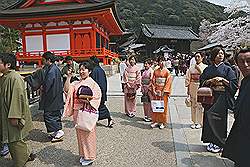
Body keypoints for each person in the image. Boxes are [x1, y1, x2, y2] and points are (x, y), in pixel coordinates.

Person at [200, 47, 238, 153]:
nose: (220, 55)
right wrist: (210, 80)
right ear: (213, 56)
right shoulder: (208, 69)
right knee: (208, 117)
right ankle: (211, 141)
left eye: (222, 53)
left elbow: (234, 84)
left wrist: (223, 80)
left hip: (222, 97)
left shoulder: (228, 69)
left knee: (220, 119)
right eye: (217, 54)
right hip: (210, 96)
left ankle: (220, 142)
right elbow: (202, 80)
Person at [0, 53, 35, 167]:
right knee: (13, 139)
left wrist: (15, 116)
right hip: (7, 113)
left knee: (15, 140)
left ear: (8, 64)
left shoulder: (14, 77)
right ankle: (27, 155)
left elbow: (17, 98)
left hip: (12, 115)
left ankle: (21, 162)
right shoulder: (6, 76)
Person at [64, 62, 101, 166]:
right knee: (80, 134)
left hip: (87, 111)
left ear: (89, 71)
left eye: (84, 69)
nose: (81, 71)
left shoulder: (93, 83)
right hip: (77, 111)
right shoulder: (76, 83)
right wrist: (68, 77)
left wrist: (88, 101)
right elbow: (67, 90)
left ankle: (90, 156)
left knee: (88, 134)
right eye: (80, 69)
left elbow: (97, 97)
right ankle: (83, 154)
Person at [26, 51, 64, 142]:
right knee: (55, 115)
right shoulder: (54, 68)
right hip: (56, 96)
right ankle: (56, 132)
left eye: (43, 60)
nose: (42, 61)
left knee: (49, 115)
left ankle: (59, 132)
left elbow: (47, 84)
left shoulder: (51, 70)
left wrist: (42, 88)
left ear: (49, 60)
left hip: (52, 97)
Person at [222, 48, 250, 167]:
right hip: (242, 129)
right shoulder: (244, 82)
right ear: (236, 64)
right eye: (241, 62)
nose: (246, 65)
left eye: (249, 61)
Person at [89, 56, 114, 128]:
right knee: (99, 106)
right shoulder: (100, 70)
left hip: (97, 93)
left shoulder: (94, 70)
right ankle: (107, 119)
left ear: (93, 62)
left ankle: (109, 118)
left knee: (99, 107)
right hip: (101, 91)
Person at [185, 52, 208, 129]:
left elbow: (206, 77)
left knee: (200, 105)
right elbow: (188, 79)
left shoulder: (205, 67)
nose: (197, 58)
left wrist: (199, 70)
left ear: (202, 58)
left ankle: (199, 122)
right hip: (192, 86)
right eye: (195, 56)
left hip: (201, 86)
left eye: (198, 56)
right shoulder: (191, 68)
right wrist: (188, 90)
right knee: (193, 105)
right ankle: (194, 121)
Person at [151, 56, 172, 129]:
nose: (161, 62)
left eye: (163, 61)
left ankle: (162, 121)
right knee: (156, 106)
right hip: (157, 90)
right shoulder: (155, 71)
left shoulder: (167, 71)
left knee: (163, 106)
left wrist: (164, 91)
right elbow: (153, 81)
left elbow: (168, 82)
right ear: (158, 62)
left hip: (163, 91)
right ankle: (156, 121)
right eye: (160, 61)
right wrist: (154, 90)